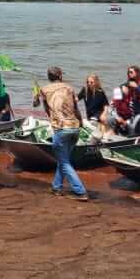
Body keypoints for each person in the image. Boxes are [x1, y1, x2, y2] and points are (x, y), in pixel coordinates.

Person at [40, 66, 89, 200]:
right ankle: (56, 187)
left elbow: (46, 109)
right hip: (74, 127)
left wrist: (37, 97)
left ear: (49, 77)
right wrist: (81, 122)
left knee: (64, 162)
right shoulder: (69, 88)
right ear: (60, 76)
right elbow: (76, 108)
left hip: (61, 129)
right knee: (63, 160)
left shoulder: (44, 90)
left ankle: (80, 191)